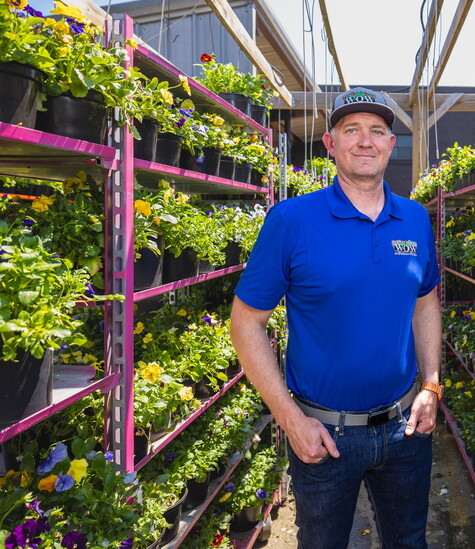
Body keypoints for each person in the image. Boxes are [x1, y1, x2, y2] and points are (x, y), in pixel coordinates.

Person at [230, 87, 442, 549]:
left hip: (406, 429)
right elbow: (246, 323)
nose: (365, 141)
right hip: (324, 437)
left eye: (377, 131)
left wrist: (431, 385)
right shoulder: (291, 220)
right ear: (330, 143)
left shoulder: (414, 219)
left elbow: (425, 300)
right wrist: (289, 418)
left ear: (391, 144)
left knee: (409, 541)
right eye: (351, 130)